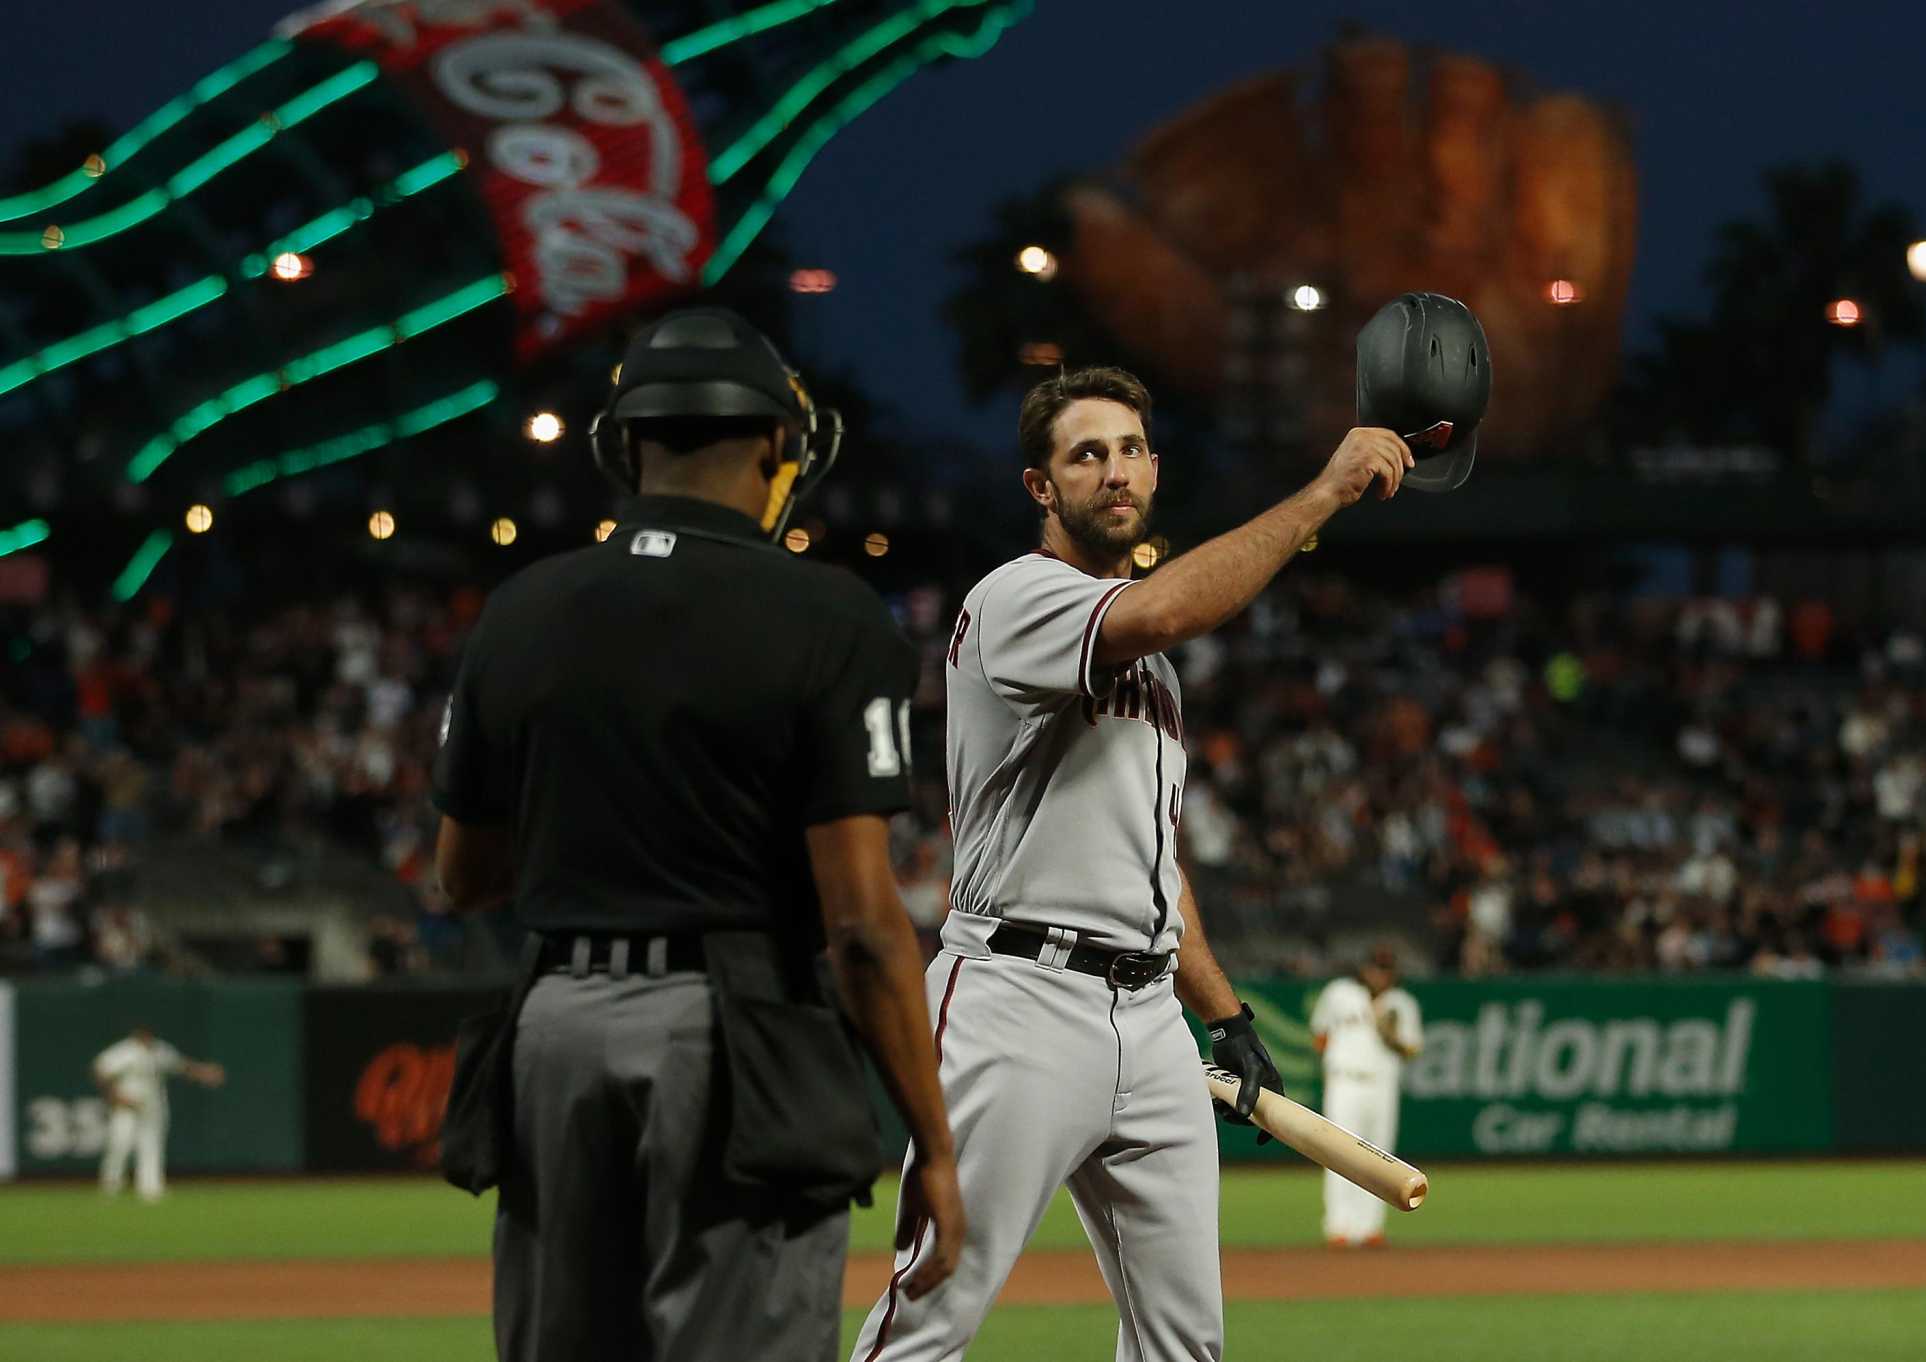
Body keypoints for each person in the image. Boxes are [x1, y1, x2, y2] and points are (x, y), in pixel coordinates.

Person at [851, 366, 1414, 1361]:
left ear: (1153, 467)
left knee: (1182, 1340)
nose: (1112, 470)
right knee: (931, 1315)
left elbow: (1153, 866)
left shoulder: (1145, 665)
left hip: (1148, 1014)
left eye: (1128, 450)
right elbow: (1159, 612)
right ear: (1040, 487)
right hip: (1015, 998)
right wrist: (1322, 495)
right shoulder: (1015, 597)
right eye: (1084, 453)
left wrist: (1225, 1015)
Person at [433, 308, 963, 1362]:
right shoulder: (827, 614)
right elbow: (860, 925)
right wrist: (933, 1149)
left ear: (624, 445)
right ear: (780, 445)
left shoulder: (521, 608)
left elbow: (465, 877)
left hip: (552, 1033)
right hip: (729, 1033)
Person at [1310, 945, 1423, 1247]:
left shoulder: (1402, 1002)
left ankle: (1369, 1227)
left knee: (1381, 1157)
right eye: (1375, 967)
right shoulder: (1340, 993)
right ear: (1364, 969)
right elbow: (1320, 1036)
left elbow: (1412, 1049)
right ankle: (1339, 1227)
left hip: (1382, 1085)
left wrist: (1392, 1038)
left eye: (1386, 969)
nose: (1380, 974)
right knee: (1339, 1153)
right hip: (1345, 1082)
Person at [91, 1024, 226, 1202]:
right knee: (121, 1144)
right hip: (128, 1104)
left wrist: (203, 1073)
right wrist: (115, 1096)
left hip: (153, 1105)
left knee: (152, 1146)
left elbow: (181, 1066)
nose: (145, 1037)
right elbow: (100, 1070)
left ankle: (150, 1187)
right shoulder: (124, 1051)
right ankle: (111, 1185)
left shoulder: (160, 1050)